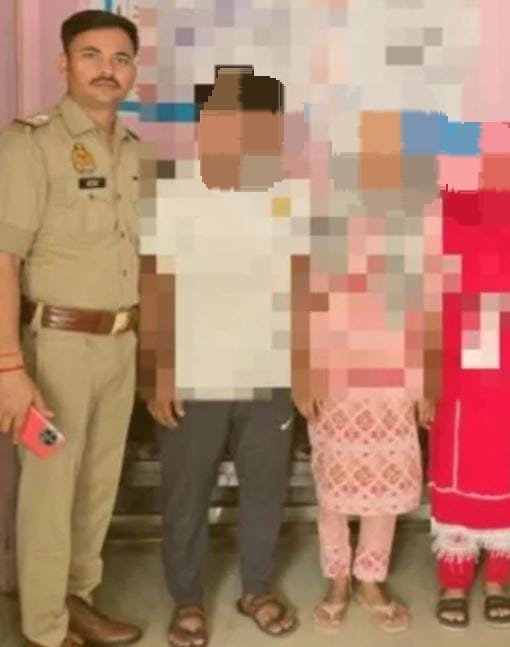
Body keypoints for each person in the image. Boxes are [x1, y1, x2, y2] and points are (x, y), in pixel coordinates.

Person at [139, 67, 306, 647]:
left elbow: (303, 287)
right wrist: (159, 372)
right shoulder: (172, 193)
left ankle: (256, 587)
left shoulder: (290, 195)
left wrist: (303, 370)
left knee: (266, 488)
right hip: (193, 373)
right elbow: (155, 287)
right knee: (186, 492)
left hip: (268, 373)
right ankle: (187, 598)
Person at [0, 10, 143, 647]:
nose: (107, 69)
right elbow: (3, 260)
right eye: (91, 55)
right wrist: (10, 366)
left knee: (97, 485)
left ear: (132, 71)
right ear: (64, 64)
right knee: (50, 490)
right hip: (55, 347)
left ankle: (79, 598)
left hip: (119, 344)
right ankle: (44, 628)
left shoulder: (135, 152)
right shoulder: (29, 144)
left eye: (120, 58)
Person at [295, 189, 442, 634]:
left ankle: (370, 579)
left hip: (395, 372)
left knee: (384, 485)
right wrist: (303, 371)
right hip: (335, 371)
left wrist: (427, 381)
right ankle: (338, 580)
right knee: (334, 487)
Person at [429, 187, 510, 630]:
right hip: (456, 367)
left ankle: (498, 579)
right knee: (458, 463)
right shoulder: (443, 208)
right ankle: (454, 580)